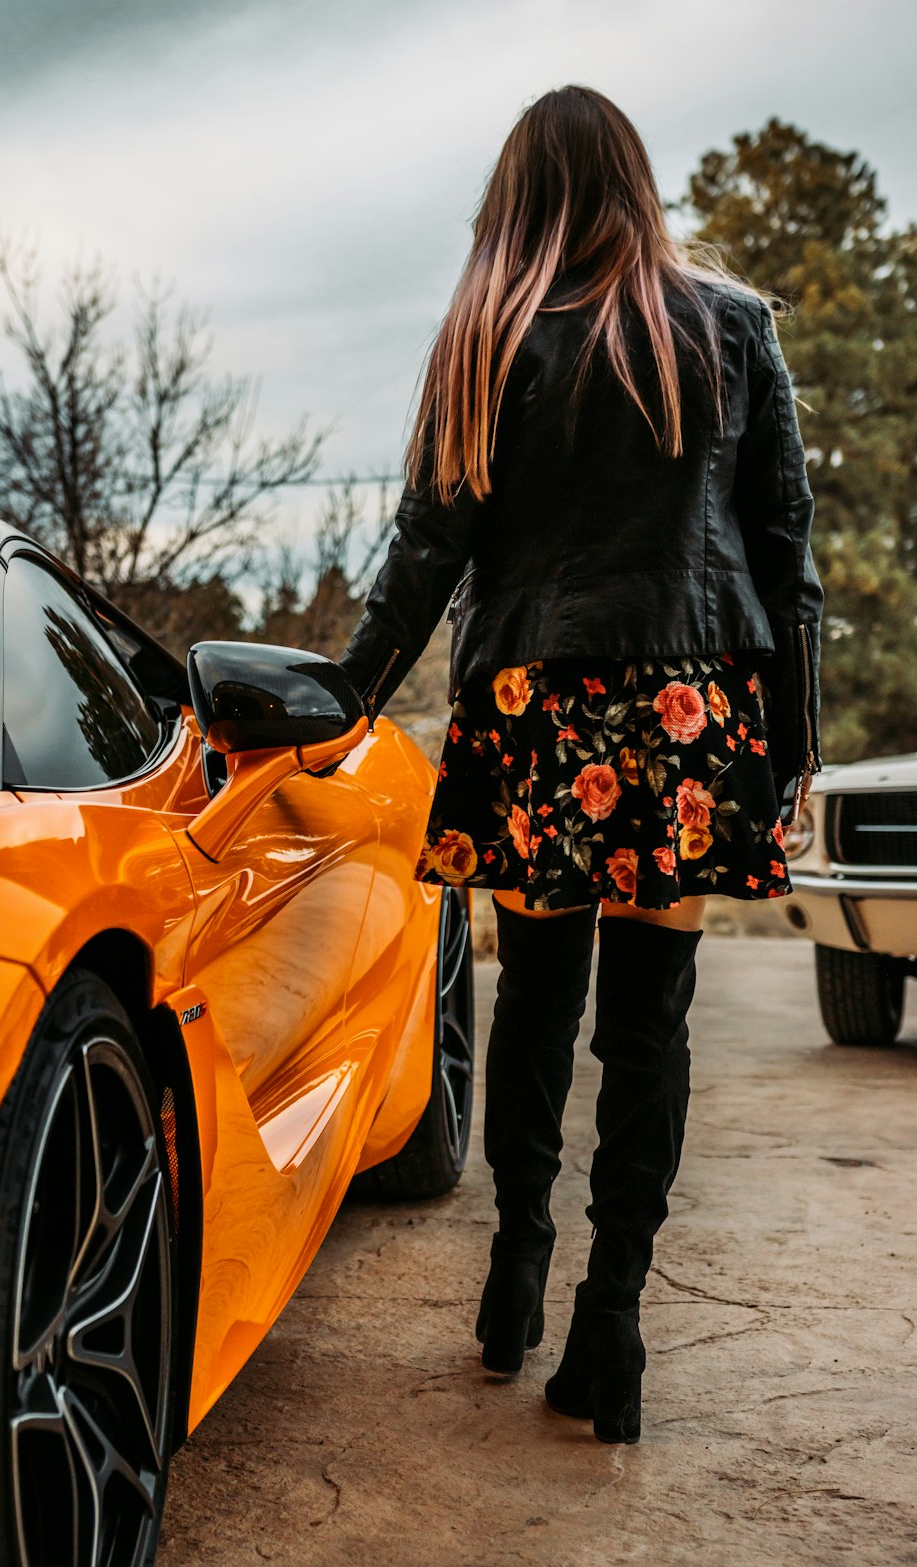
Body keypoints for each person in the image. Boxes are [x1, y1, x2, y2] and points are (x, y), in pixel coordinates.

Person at [337, 85, 823, 1444]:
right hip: (685, 708)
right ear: (633, 181)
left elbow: (422, 557)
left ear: (522, 193)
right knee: (650, 1022)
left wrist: (341, 702)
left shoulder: (485, 337)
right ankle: (613, 1329)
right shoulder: (730, 326)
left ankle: (516, 1276)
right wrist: (792, 747)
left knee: (537, 1005)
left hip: (533, 702)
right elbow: (786, 558)